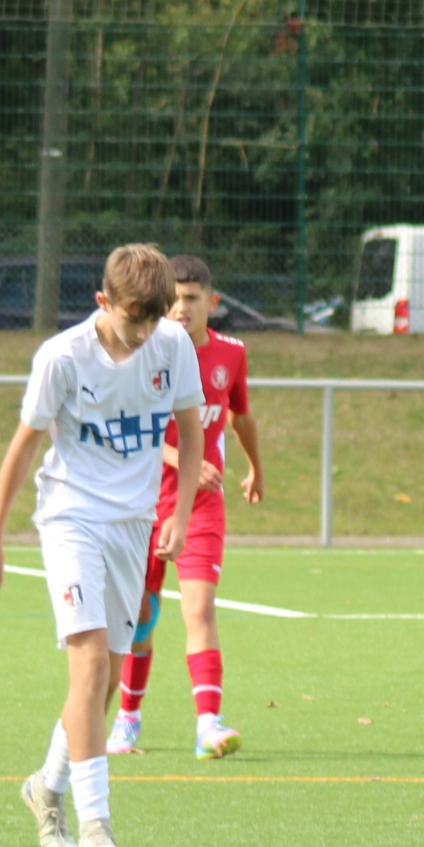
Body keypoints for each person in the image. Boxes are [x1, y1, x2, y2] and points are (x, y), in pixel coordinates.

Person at [0, 244, 203, 847]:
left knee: (103, 681)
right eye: (134, 319)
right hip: (71, 517)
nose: (145, 333)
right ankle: (96, 823)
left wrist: (179, 515)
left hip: (133, 525)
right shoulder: (63, 357)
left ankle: (46, 786)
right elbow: (25, 445)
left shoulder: (172, 345)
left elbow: (191, 432)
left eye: (155, 319)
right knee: (92, 661)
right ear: (103, 301)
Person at [107, 254, 265, 759]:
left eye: (192, 298)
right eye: (173, 299)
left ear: (211, 302)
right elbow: (127, 424)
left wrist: (255, 467)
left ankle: (208, 724)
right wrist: (183, 461)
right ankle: (128, 719)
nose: (181, 308)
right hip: (143, 503)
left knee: (199, 608)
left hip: (201, 507)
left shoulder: (231, 355)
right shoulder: (144, 351)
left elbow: (241, 415)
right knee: (141, 616)